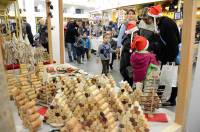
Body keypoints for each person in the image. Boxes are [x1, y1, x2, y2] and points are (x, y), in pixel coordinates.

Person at [147, 5, 181, 106]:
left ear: (154, 17)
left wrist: (169, 59)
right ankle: (158, 97)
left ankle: (171, 99)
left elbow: (174, 43)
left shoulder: (167, 24)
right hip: (166, 55)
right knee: (165, 77)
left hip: (171, 56)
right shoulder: (161, 23)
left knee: (172, 79)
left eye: (149, 18)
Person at [120, 21, 139, 86]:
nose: (136, 35)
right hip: (127, 66)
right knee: (128, 81)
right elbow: (127, 59)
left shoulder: (128, 40)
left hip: (126, 66)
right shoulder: (128, 42)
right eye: (135, 33)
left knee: (127, 80)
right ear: (131, 33)